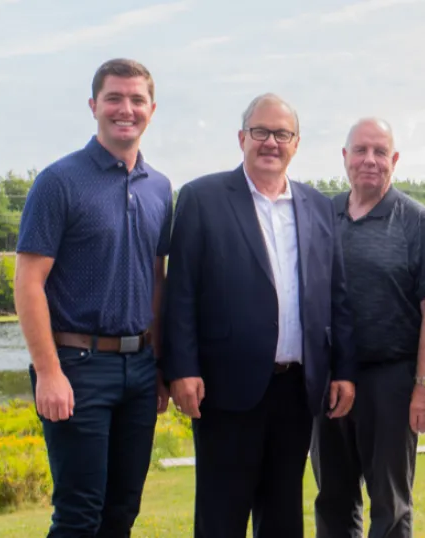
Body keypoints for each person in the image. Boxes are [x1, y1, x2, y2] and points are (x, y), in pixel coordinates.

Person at [161, 93, 356, 538]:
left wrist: (344, 369)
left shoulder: (318, 207)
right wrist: (182, 369)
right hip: (224, 391)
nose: (271, 142)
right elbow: (181, 291)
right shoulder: (202, 198)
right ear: (241, 137)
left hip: (296, 391)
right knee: (221, 517)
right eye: (261, 132)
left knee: (284, 516)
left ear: (296, 143)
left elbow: (336, 297)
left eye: (281, 134)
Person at [14, 57, 173, 537]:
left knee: (122, 512)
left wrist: (161, 367)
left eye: (136, 99)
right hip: (77, 366)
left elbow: (157, 282)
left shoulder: (161, 189)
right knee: (79, 516)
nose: (126, 109)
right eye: (114, 98)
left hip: (141, 370)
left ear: (152, 108)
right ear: (93, 105)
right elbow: (28, 283)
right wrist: (48, 372)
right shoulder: (59, 182)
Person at [311, 117, 425, 538]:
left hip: (391, 381)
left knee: (390, 504)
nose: (370, 160)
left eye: (380, 152)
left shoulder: (415, 219)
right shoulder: (320, 213)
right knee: (333, 499)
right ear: (345, 157)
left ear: (395, 159)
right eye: (361, 151)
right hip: (330, 379)